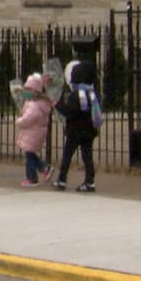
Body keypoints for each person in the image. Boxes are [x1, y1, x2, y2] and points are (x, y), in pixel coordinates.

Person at [52, 60, 100, 192]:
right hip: (89, 131)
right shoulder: (92, 93)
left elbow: (69, 112)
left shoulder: (76, 95)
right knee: (87, 156)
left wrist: (58, 105)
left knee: (67, 156)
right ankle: (90, 181)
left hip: (75, 131)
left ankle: (61, 179)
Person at [15, 72, 54, 187]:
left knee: (29, 157)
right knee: (30, 154)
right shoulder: (39, 103)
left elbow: (29, 118)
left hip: (32, 132)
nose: (25, 91)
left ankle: (32, 178)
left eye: (28, 89)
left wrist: (20, 121)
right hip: (36, 132)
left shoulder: (34, 105)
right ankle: (44, 168)